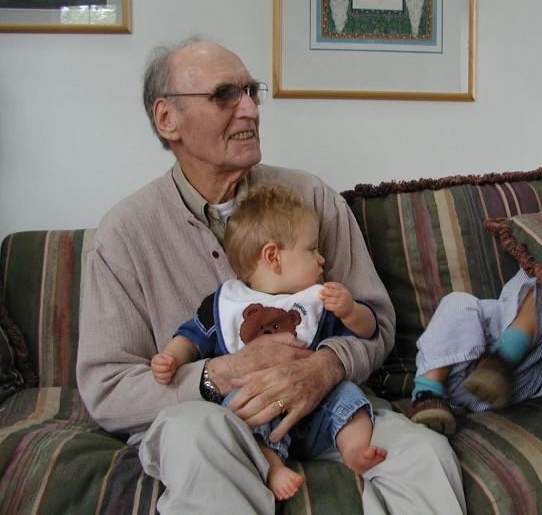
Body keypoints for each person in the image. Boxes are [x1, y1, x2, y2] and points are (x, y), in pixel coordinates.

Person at [76, 36, 466, 515]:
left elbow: (377, 324)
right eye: (224, 95)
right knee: (192, 435)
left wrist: (323, 367)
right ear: (167, 119)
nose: (249, 109)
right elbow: (107, 389)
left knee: (424, 456)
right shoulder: (125, 234)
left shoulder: (310, 196)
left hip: (329, 408)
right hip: (212, 420)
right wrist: (218, 374)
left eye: (251, 91)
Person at [150, 183, 387, 500]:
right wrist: (171, 357)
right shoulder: (225, 303)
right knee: (238, 405)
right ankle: (272, 466)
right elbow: (191, 336)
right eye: (311, 250)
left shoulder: (319, 298)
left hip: (318, 409)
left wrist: (351, 310)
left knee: (349, 393)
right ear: (273, 256)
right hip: (259, 410)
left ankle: (354, 450)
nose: (322, 259)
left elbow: (367, 330)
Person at [407, 269, 542, 435]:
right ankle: (426, 395)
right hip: (460, 364)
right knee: (457, 302)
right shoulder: (532, 293)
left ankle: (498, 366)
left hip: (513, 388)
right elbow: (528, 282)